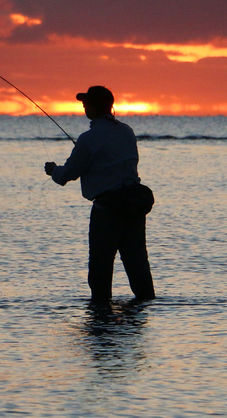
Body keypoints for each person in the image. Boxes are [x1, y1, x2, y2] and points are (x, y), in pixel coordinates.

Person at [45, 86, 156, 303]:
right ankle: (143, 313)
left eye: (86, 103)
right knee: (138, 263)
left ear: (95, 107)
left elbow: (66, 175)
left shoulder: (89, 138)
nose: (84, 105)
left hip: (107, 211)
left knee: (100, 267)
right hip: (134, 206)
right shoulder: (127, 131)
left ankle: (101, 315)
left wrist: (53, 170)